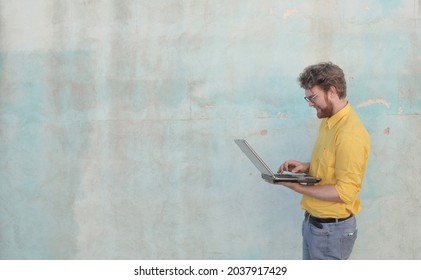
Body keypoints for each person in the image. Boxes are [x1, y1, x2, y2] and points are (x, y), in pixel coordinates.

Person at [269, 62, 370, 260]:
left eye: (313, 97)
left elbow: (345, 192)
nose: (310, 103)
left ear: (332, 91)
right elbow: (332, 162)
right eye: (308, 98)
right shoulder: (329, 121)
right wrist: (306, 167)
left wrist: (297, 187)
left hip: (331, 232)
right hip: (315, 226)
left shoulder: (349, 134)